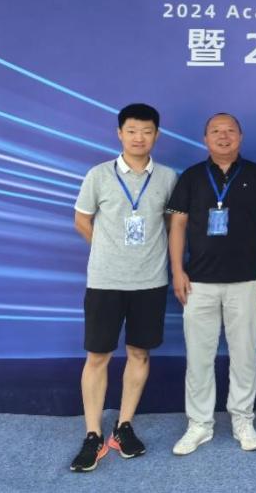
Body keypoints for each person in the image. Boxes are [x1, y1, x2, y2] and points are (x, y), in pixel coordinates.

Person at [70, 103, 178, 473]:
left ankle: (124, 427)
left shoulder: (167, 178)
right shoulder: (99, 175)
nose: (138, 138)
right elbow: (82, 220)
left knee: (139, 353)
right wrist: (107, 249)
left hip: (150, 281)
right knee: (98, 356)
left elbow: (170, 224)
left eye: (146, 131)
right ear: (120, 133)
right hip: (105, 281)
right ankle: (92, 433)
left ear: (156, 135)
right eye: (131, 130)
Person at [167, 113, 256, 454]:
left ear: (240, 137)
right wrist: (177, 271)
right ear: (205, 139)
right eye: (216, 131)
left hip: (246, 281)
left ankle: (243, 419)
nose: (223, 136)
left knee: (244, 355)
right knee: (199, 357)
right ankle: (199, 424)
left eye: (230, 130)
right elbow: (178, 225)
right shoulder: (191, 177)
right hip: (198, 282)